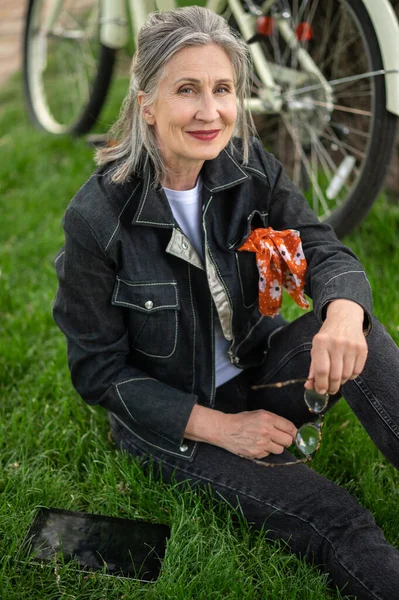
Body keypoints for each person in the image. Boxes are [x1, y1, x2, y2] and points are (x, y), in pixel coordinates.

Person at [53, 6, 399, 598]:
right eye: (187, 90)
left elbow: (322, 248)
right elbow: (99, 372)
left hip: (259, 374)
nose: (210, 112)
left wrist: (345, 312)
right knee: (336, 519)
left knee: (360, 331)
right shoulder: (97, 219)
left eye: (223, 89)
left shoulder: (247, 167)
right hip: (177, 425)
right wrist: (225, 429)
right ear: (147, 104)